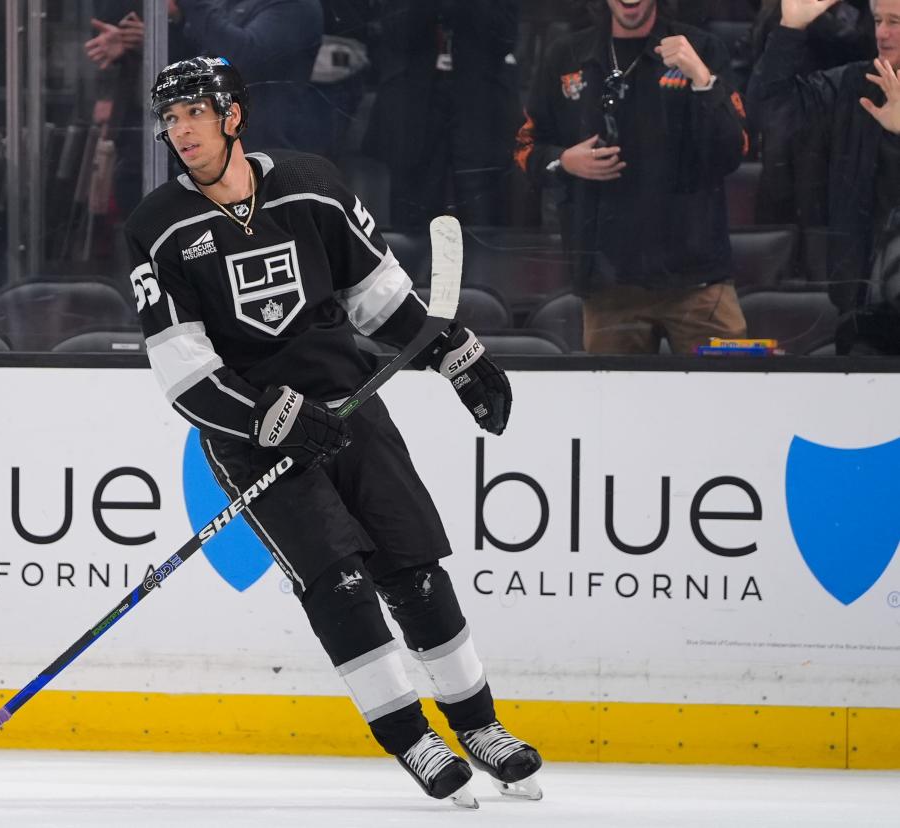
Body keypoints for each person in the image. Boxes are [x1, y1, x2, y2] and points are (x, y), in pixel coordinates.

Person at [123, 56, 542, 806]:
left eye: (194, 112)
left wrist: (455, 353)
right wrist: (264, 417)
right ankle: (411, 739)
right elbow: (183, 372)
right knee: (341, 581)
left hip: (349, 408)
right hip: (253, 436)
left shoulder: (312, 183)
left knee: (413, 568)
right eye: (170, 117)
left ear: (232, 115)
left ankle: (479, 724)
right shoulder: (158, 227)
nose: (180, 129)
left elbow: (378, 296)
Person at [514, 0, 752, 354]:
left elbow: (736, 149)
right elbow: (524, 148)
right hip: (609, 283)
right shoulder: (566, 54)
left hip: (699, 280)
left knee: (727, 400)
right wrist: (564, 161)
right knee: (611, 408)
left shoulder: (700, 49)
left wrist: (702, 79)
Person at [749, 0, 900, 352]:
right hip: (865, 317)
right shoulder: (855, 86)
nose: (882, 32)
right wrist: (789, 30)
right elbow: (771, 113)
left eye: (895, 21)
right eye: (878, 20)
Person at [362, 0, 523, 227]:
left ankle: (479, 263)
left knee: (482, 213)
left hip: (479, 103)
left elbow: (505, 37)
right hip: (415, 101)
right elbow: (393, 30)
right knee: (412, 216)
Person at [168, 0, 325, 151]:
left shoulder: (295, 6)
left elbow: (242, 56)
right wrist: (177, 21)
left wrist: (192, 5)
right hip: (214, 141)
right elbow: (203, 52)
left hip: (264, 147)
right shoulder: (229, 3)